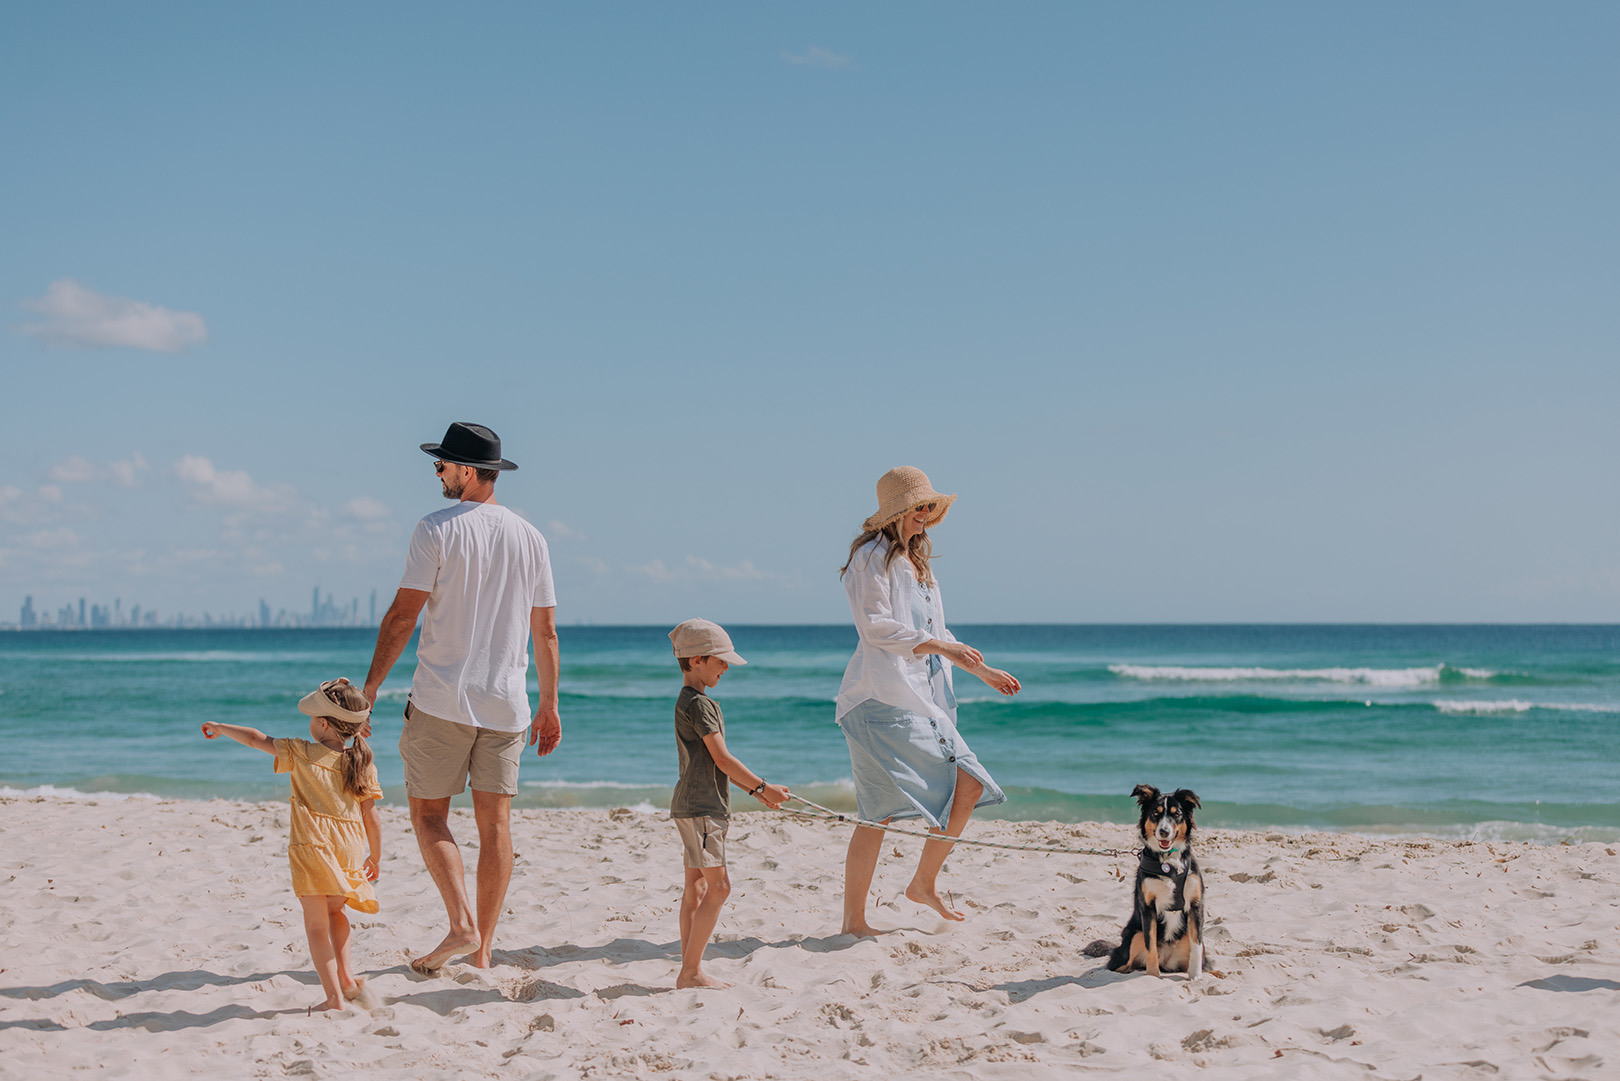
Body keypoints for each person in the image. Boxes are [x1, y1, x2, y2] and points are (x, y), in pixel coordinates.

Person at [361, 421, 560, 973]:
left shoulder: (436, 529)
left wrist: (372, 686)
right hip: (507, 705)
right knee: (495, 826)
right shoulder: (532, 537)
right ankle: (485, 949)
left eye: (443, 464)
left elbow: (404, 615)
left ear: (468, 471)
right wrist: (549, 704)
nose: (438, 472)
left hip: (442, 700)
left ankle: (462, 925)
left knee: (428, 816)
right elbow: (545, 632)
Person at [835, 466, 1021, 936]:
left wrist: (982, 670)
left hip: (911, 697)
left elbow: (939, 634)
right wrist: (942, 648)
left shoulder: (919, 564)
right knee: (962, 784)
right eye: (920, 507)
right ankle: (883, 905)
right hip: (880, 699)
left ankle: (908, 891)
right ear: (898, 509)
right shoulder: (870, 557)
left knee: (877, 816)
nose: (927, 516)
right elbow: (875, 627)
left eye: (930, 508)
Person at [200, 678, 383, 1012]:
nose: (310, 723)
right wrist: (376, 856)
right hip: (351, 847)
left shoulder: (301, 752)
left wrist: (221, 727)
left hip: (314, 847)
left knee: (315, 925)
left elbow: (256, 738)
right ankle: (346, 977)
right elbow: (372, 816)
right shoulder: (361, 760)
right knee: (336, 911)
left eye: (313, 717)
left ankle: (333, 999)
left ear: (323, 723)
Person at [668, 619, 791, 988]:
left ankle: (690, 969)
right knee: (719, 888)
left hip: (693, 805)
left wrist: (756, 792)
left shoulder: (689, 700)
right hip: (702, 809)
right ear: (696, 660)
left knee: (697, 888)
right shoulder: (700, 705)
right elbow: (722, 759)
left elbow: (715, 764)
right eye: (720, 661)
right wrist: (763, 787)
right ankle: (690, 972)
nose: (725, 667)